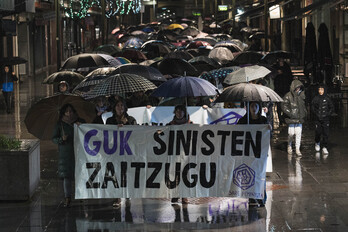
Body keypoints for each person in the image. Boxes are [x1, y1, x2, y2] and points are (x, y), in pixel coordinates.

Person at [237, 102, 271, 208]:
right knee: (250, 174)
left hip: (260, 152)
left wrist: (269, 128)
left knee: (260, 175)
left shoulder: (263, 120)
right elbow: (236, 132)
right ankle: (252, 197)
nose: (254, 108)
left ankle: (261, 198)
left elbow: (269, 135)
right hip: (248, 153)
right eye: (251, 106)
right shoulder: (243, 120)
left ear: (259, 107)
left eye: (256, 106)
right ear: (248, 108)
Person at [52, 103, 85, 207]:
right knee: (67, 176)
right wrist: (62, 139)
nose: (69, 113)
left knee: (79, 174)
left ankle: (80, 195)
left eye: (71, 111)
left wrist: (82, 126)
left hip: (78, 152)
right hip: (65, 154)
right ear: (63, 113)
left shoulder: (80, 121)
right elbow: (54, 138)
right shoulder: (60, 125)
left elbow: (88, 132)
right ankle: (67, 197)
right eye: (66, 111)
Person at [106, 99, 137, 208]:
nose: (120, 108)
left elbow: (136, 132)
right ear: (114, 108)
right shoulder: (110, 120)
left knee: (127, 172)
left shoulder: (131, 119)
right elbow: (106, 133)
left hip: (127, 151)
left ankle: (127, 192)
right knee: (115, 173)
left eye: (122, 105)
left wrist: (126, 124)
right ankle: (117, 197)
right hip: (114, 151)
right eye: (118, 106)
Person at [168, 105, 191, 204]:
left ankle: (184, 196)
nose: (179, 113)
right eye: (177, 111)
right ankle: (176, 194)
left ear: (184, 113)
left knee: (185, 174)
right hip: (174, 153)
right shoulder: (171, 124)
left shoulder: (190, 124)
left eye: (181, 111)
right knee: (175, 174)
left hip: (186, 153)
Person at [281, 79, 307, 156]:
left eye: (299, 88)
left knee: (298, 133)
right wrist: (290, 113)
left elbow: (303, 106)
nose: (298, 89)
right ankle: (289, 145)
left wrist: (304, 113)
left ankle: (297, 149)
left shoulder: (302, 95)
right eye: (297, 88)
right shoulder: (288, 95)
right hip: (292, 118)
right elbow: (283, 105)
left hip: (299, 118)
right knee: (291, 133)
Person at [311, 84, 334, 154]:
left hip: (325, 119)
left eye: (322, 90)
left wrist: (327, 114)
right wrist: (316, 114)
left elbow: (331, 107)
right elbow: (313, 107)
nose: (320, 91)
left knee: (325, 133)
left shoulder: (327, 98)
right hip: (317, 119)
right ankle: (317, 142)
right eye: (319, 90)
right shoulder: (316, 98)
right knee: (318, 132)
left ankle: (325, 147)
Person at [273, 58, 293, 126]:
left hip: (285, 89)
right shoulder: (275, 67)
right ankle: (280, 119)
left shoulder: (286, 67)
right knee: (278, 105)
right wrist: (277, 73)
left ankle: (284, 118)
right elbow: (272, 76)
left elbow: (290, 77)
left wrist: (283, 73)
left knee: (285, 104)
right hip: (278, 89)